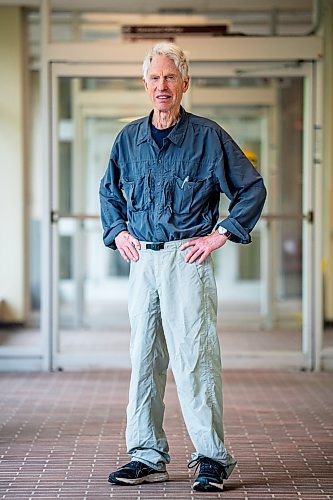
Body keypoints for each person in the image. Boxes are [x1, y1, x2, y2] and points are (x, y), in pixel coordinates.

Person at [99, 42, 266, 492]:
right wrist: (117, 231)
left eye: (170, 77)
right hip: (143, 262)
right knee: (144, 360)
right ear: (144, 84)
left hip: (186, 262)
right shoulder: (128, 140)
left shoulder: (208, 136)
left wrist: (221, 234)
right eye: (154, 78)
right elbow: (109, 193)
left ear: (185, 84)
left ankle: (211, 457)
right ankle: (147, 455)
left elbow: (251, 189)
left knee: (195, 360)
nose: (162, 86)